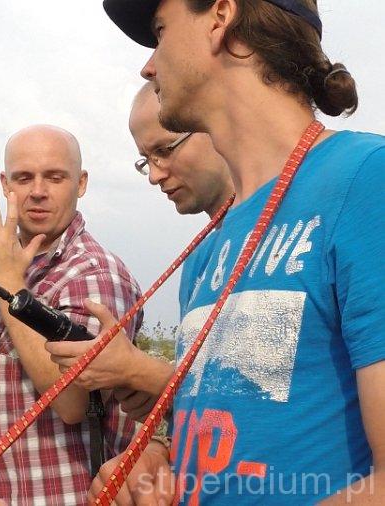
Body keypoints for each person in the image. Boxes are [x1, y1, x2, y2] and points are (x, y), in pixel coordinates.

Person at [53, 1, 384, 503]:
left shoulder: (367, 181)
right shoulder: (208, 251)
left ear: (221, 18)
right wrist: (164, 456)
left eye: (160, 31)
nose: (148, 66)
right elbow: (250, 420)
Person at [0, 124, 144, 504]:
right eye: (24, 178)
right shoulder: (8, 259)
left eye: (54, 177)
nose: (37, 191)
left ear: (80, 183)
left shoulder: (93, 272)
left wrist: (7, 282)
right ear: (6, 185)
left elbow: (73, 401)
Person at [48, 83, 235, 424]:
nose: (154, 175)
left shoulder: (302, 224)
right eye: (145, 160)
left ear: (218, 126)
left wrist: (143, 372)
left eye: (165, 149)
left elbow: (280, 409)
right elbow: (222, 408)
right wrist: (166, 419)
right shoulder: (199, 259)